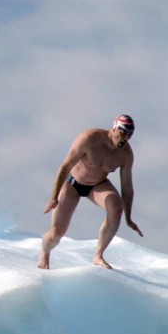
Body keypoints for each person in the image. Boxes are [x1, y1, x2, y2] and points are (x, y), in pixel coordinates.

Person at [38, 114, 143, 269]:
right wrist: (53, 196)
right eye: (122, 132)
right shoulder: (89, 138)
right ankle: (45, 254)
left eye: (129, 135)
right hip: (72, 183)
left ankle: (98, 255)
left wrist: (128, 217)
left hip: (97, 185)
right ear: (114, 128)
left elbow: (127, 186)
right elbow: (65, 166)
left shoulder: (126, 155)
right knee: (56, 233)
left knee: (116, 208)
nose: (125, 138)